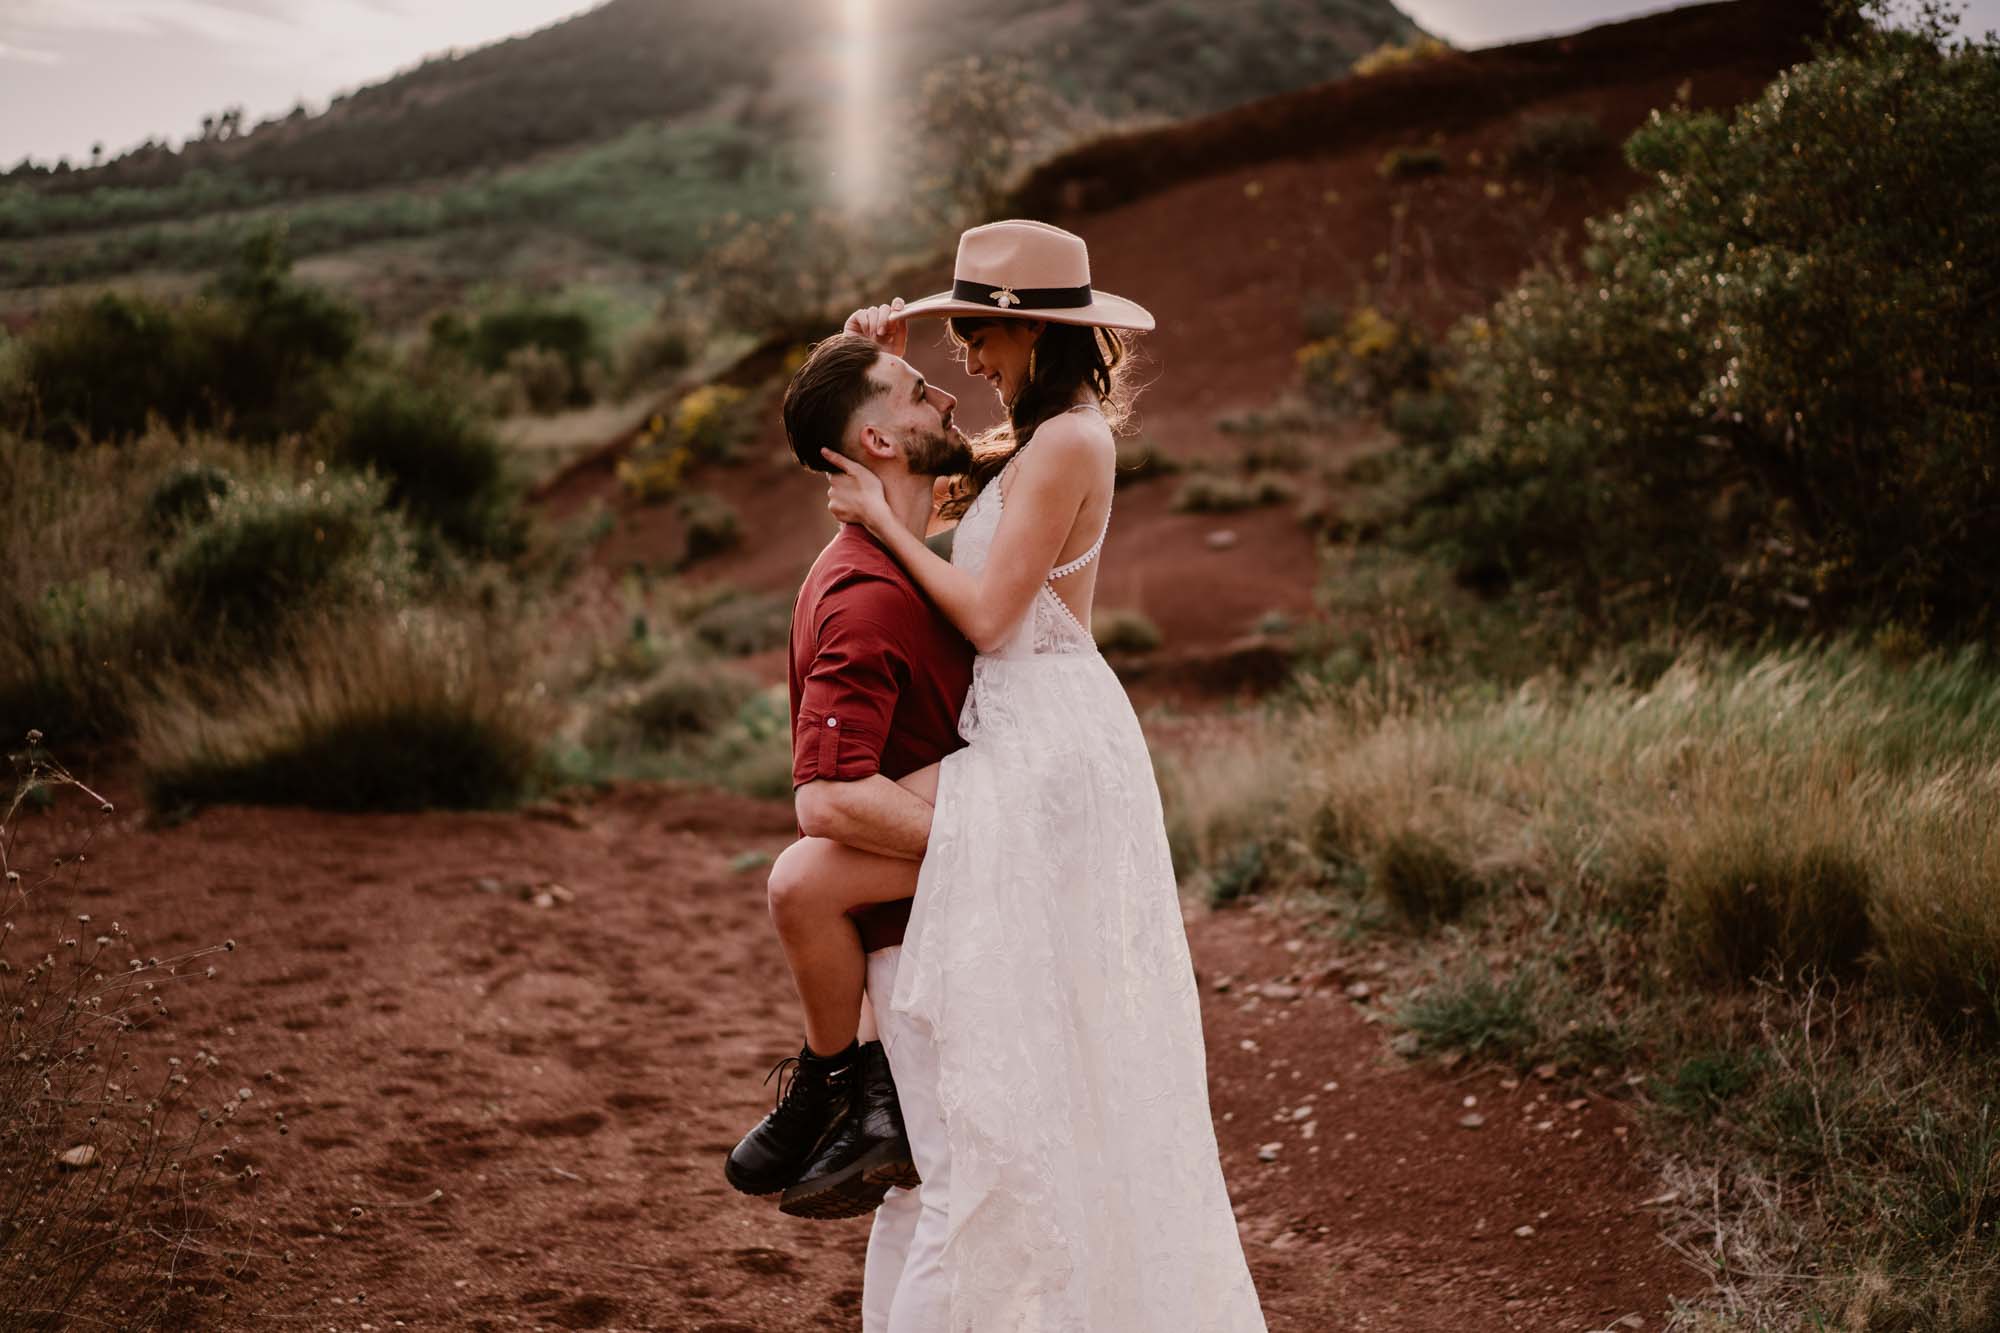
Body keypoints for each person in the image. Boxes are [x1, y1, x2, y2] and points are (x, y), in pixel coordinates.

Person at [753, 218, 1269, 1331]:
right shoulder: (1031, 444)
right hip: (1014, 723)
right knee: (824, 882)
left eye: (975, 337)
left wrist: (882, 536)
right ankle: (855, 1087)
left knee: (820, 868)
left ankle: (848, 1086)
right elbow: (917, 475)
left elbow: (986, 614)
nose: (965, 362)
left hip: (1044, 727)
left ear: (1026, 332)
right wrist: (859, 364)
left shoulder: (1074, 441)